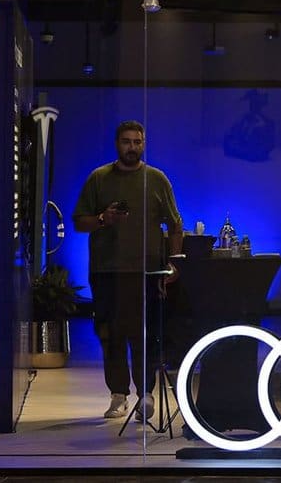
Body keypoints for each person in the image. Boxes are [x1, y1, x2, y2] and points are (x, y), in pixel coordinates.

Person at [72, 121, 183, 421]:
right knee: (111, 335)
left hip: (146, 271)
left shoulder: (156, 179)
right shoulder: (99, 178)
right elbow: (79, 221)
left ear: (143, 144)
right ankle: (118, 395)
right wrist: (103, 219)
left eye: (137, 142)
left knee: (144, 334)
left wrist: (174, 262)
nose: (132, 147)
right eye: (126, 141)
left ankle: (145, 393)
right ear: (117, 144)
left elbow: (175, 224)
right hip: (106, 270)